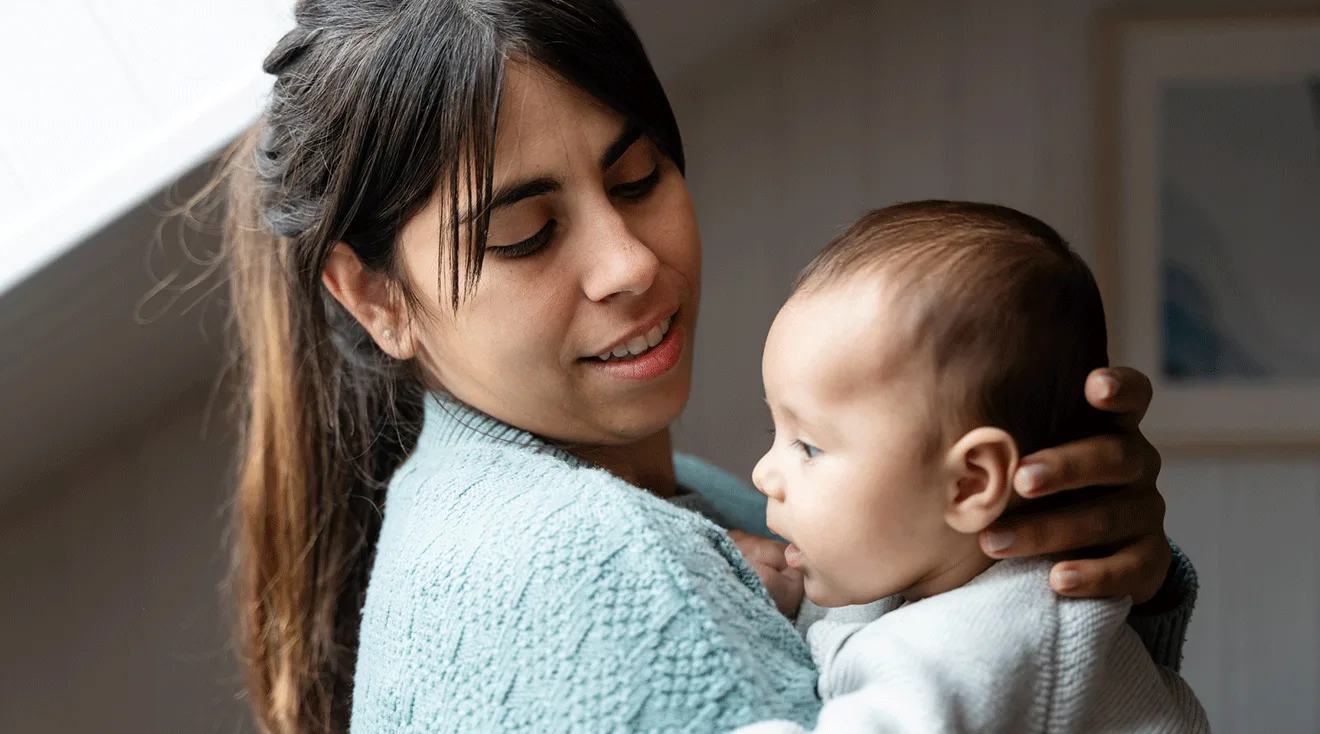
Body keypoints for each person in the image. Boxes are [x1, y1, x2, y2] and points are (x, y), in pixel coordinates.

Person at [215, 2, 1193, 732]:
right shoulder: (594, 561)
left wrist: (1075, 590)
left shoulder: (687, 500)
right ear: (375, 296)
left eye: (639, 178)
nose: (633, 262)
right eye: (526, 232)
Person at [739, 201, 1208, 733]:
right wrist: (787, 603)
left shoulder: (980, 642)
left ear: (969, 484)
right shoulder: (919, 569)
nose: (763, 473)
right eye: (773, 431)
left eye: (809, 447)